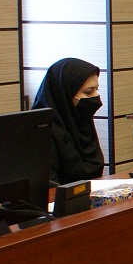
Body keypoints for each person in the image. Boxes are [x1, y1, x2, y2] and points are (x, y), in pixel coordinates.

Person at [32, 57, 104, 185]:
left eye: (96, 90)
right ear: (65, 94)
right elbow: (48, 187)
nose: (96, 97)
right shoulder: (42, 131)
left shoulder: (80, 122)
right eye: (88, 92)